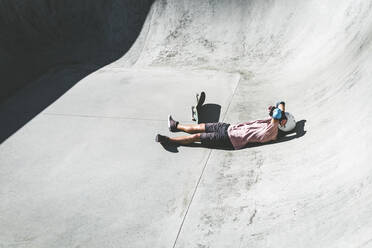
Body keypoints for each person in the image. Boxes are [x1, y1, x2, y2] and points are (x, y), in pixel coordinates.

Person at [155, 101, 288, 150]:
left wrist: (280, 115)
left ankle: (169, 141)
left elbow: (276, 113)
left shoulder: (272, 133)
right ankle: (176, 126)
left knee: (197, 136)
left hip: (228, 140)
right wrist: (282, 114)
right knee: (200, 126)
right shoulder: (270, 122)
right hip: (227, 127)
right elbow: (280, 102)